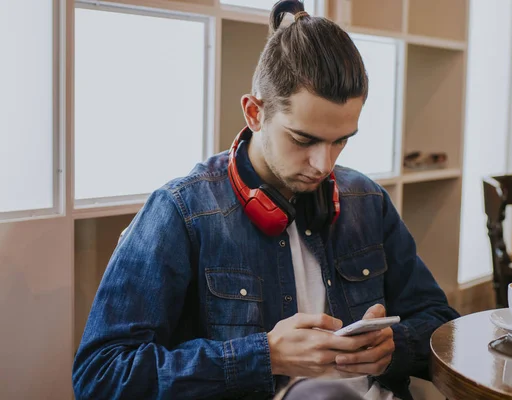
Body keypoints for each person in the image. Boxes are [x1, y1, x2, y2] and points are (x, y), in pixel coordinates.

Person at [72, 1, 459, 399]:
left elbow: (444, 327)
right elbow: (100, 376)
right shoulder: (183, 211)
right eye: (303, 139)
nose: (323, 164)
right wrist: (264, 357)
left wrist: (396, 345)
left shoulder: (367, 200)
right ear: (254, 113)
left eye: (341, 140)